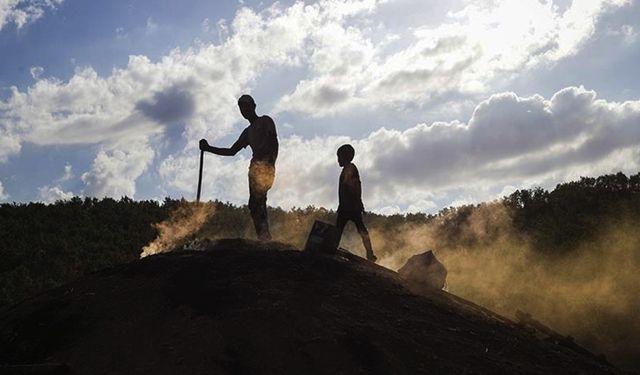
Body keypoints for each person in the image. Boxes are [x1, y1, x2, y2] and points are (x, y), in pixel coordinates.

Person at [199, 95, 278, 241]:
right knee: (253, 204)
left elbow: (274, 141)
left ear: (254, 106)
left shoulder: (265, 121)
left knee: (258, 200)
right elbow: (231, 151)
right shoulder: (247, 132)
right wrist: (208, 148)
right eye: (241, 108)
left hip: (265, 165)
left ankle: (265, 237)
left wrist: (270, 163)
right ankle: (263, 236)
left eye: (246, 106)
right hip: (254, 168)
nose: (244, 110)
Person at [335, 144, 377, 262]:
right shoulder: (348, 169)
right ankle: (370, 254)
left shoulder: (350, 169)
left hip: (349, 207)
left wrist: (358, 202)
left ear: (346, 157)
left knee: (340, 230)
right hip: (349, 206)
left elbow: (355, 186)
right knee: (359, 229)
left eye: (339, 157)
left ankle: (370, 254)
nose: (338, 160)